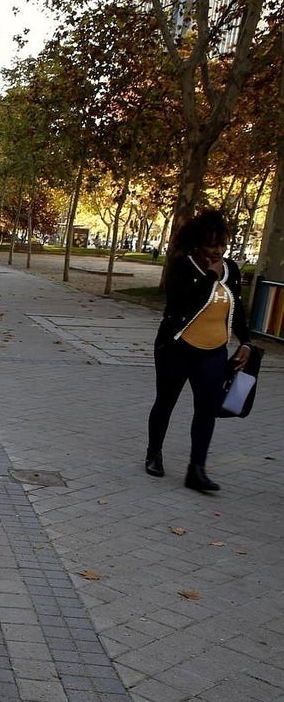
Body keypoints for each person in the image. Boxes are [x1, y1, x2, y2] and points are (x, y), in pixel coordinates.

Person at [145, 209, 252, 492]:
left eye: (222, 245)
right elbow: (180, 304)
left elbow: (237, 309)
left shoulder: (231, 269)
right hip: (176, 349)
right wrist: (209, 278)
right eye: (211, 245)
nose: (218, 251)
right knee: (165, 402)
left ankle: (197, 469)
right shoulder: (181, 266)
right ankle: (154, 453)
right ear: (197, 244)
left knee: (206, 410)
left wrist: (246, 341)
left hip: (213, 352)